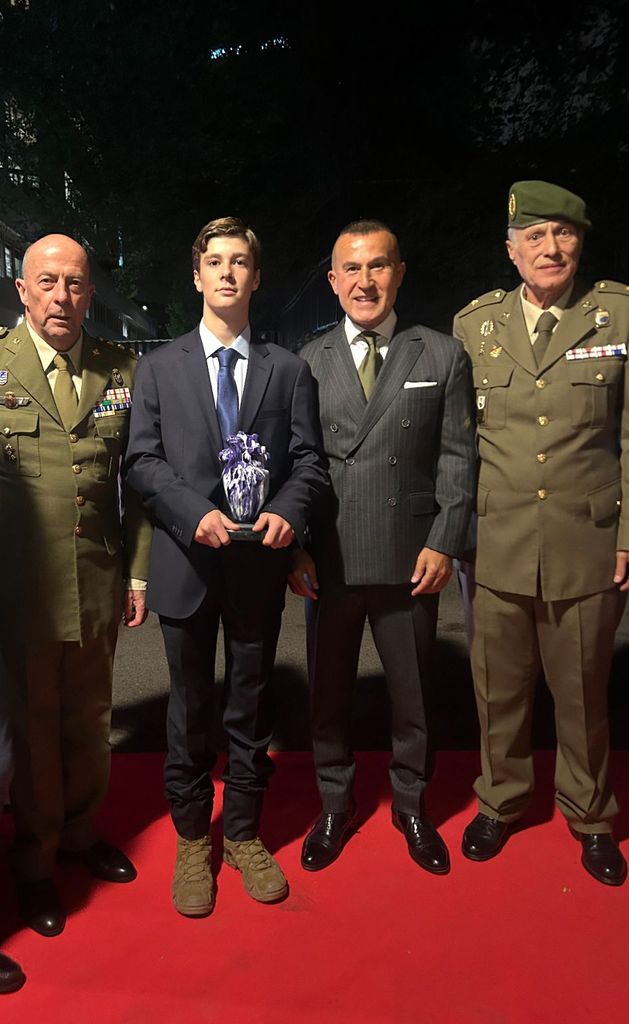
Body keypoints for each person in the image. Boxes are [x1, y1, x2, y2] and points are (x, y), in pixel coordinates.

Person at [125, 216, 328, 916]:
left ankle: (241, 832)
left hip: (257, 569)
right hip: (186, 561)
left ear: (255, 276)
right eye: (214, 261)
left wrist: (290, 512)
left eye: (240, 261)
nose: (227, 272)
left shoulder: (287, 370)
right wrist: (192, 513)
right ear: (197, 275)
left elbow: (309, 463)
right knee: (188, 710)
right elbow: (142, 461)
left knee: (250, 705)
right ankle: (192, 839)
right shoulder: (158, 367)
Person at [453, 180, 629, 885]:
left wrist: (628, 532)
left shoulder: (616, 315)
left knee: (583, 692)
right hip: (497, 542)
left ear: (579, 242)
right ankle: (500, 800)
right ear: (511, 250)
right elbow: (458, 444)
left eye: (562, 234)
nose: (549, 248)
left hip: (586, 542)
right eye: (534, 236)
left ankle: (590, 815)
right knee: (497, 691)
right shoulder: (475, 325)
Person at [290, 220, 475, 875]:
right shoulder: (307, 361)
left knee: (414, 693)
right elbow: (294, 463)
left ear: (398, 273)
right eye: (351, 268)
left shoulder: (441, 354)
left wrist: (444, 542)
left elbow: (457, 458)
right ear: (333, 280)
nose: (364, 281)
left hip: (410, 555)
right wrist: (295, 550)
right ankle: (334, 803)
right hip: (331, 555)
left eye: (377, 266)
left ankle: (412, 804)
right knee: (328, 695)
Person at [0, 234, 152, 936]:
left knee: (90, 718)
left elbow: (138, 483)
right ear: (23, 290)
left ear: (90, 292)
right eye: (47, 282)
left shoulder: (122, 368)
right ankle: (34, 862)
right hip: (21, 586)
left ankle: (81, 833)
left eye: (75, 283)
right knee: (34, 725)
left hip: (96, 577)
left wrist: (138, 572)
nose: (61, 296)